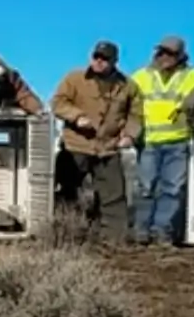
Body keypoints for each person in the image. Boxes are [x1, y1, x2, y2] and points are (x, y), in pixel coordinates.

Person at [49, 40, 141, 242]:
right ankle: (64, 233)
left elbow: (135, 115)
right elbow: (57, 102)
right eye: (96, 57)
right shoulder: (74, 79)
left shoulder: (128, 86)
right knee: (66, 191)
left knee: (114, 197)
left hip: (108, 148)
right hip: (75, 146)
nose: (99, 62)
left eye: (105, 59)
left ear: (114, 61)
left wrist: (129, 135)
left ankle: (113, 240)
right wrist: (76, 116)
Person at [129, 35, 194, 247]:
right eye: (161, 51)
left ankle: (162, 232)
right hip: (148, 141)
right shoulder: (140, 76)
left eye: (169, 53)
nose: (164, 56)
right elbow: (129, 106)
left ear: (180, 56)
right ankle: (141, 231)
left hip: (178, 141)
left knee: (172, 189)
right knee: (145, 187)